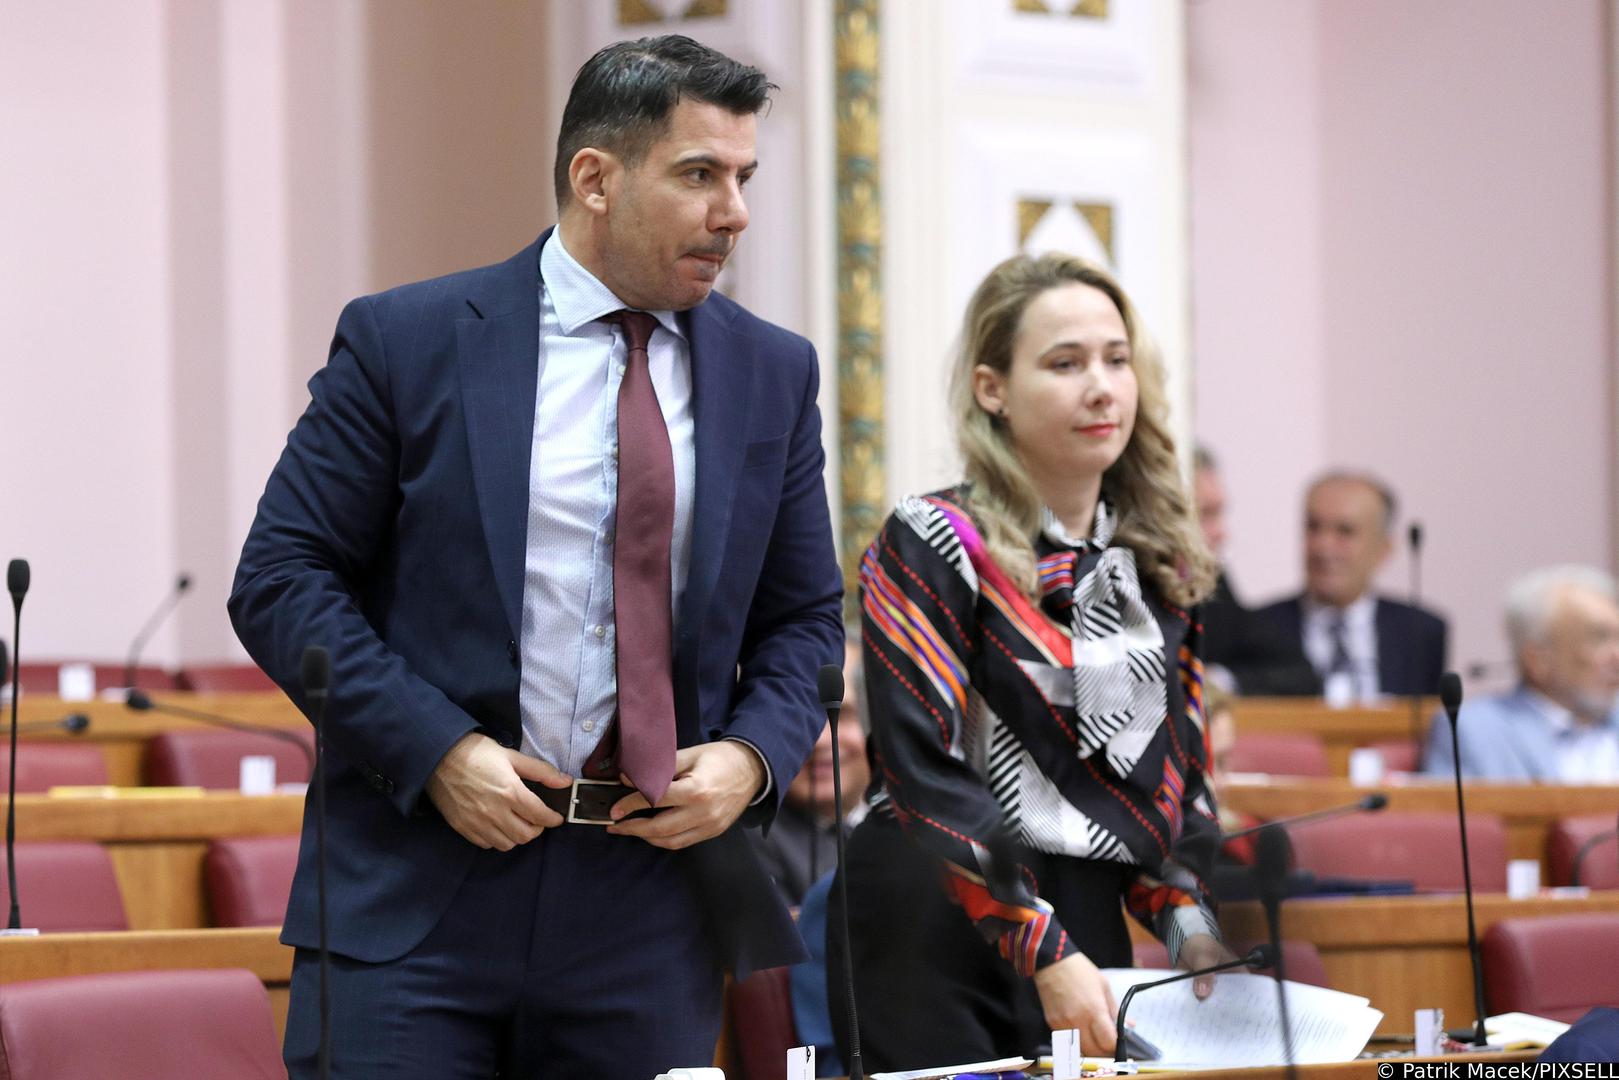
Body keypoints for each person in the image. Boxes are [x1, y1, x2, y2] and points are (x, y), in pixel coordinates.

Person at [227, 36, 843, 1079]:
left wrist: (749, 760)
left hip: (647, 908)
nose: (733, 211)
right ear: (593, 178)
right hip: (417, 891)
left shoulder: (772, 373)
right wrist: (435, 750)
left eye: (742, 177)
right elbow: (282, 578)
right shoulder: (407, 340)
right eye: (698, 174)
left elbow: (803, 623)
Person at [832, 252, 1229, 1069]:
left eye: (1116, 360)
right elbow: (922, 771)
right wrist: (1038, 946)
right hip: (934, 911)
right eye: (1065, 362)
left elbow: (1177, 790)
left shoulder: (1159, 564)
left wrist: (1188, 924)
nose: (1101, 386)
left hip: (1082, 920)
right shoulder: (936, 539)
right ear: (992, 389)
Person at [1254, 472, 1447, 699]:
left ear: (1383, 548)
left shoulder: (1420, 632)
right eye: (1313, 527)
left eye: (1345, 531)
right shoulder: (1258, 629)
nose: (1323, 547)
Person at [1423, 565, 1619, 781]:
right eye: (1599, 638)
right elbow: (1455, 814)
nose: (1616, 656)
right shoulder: (1473, 731)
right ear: (1537, 659)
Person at [1193, 447, 1320, 696]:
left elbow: (1300, 675)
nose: (1221, 533)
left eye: (1219, 513)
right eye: (1205, 514)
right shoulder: (1122, 578)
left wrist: (1217, 682)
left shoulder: (1209, 581)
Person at [752, 639, 870, 905]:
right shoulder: (747, 844)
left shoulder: (916, 824)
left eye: (842, 715)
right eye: (799, 719)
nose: (820, 741)